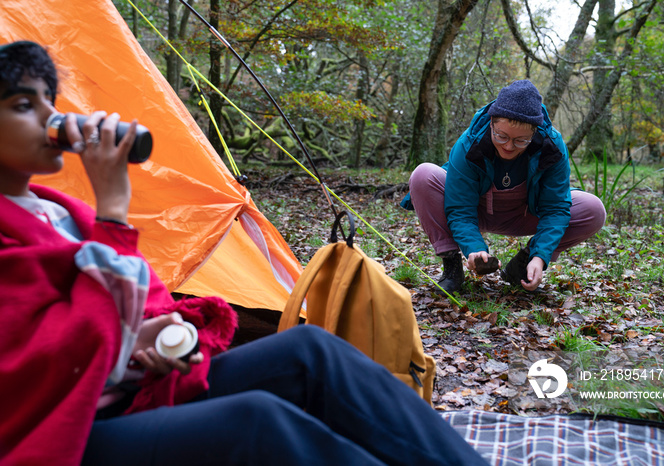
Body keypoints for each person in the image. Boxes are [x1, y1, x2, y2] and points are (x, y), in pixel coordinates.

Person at [0, 41, 489, 466]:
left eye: (49, 99)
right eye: (25, 105)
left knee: (310, 351)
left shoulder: (57, 210)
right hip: (62, 432)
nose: (52, 118)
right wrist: (111, 214)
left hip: (131, 392)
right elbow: (57, 360)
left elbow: (127, 310)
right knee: (257, 422)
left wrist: (161, 333)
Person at [402, 79, 606, 294]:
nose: (508, 146)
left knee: (593, 209)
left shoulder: (552, 147)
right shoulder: (469, 143)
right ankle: (452, 268)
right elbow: (460, 208)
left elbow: (556, 208)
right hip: (477, 210)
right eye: (501, 136)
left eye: (521, 141)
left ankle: (522, 265)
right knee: (423, 174)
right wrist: (475, 249)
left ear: (535, 132)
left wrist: (540, 256)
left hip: (525, 215)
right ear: (491, 122)